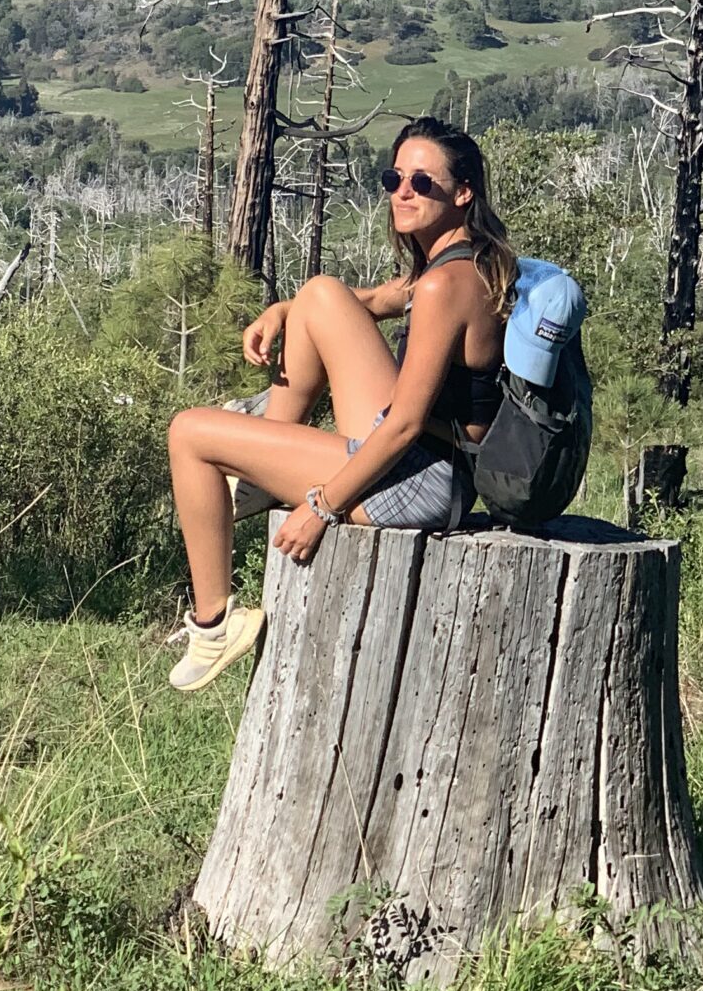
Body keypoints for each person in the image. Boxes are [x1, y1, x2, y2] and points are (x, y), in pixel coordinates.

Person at [163, 116, 520, 692]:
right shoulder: (461, 263)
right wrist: (283, 310)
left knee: (190, 432)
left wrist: (322, 507)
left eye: (421, 182)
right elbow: (372, 299)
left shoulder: (444, 286)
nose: (403, 192)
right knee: (320, 293)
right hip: (436, 461)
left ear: (462, 193)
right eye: (394, 179)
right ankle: (258, 474)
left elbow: (403, 424)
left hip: (423, 480)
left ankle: (213, 626)